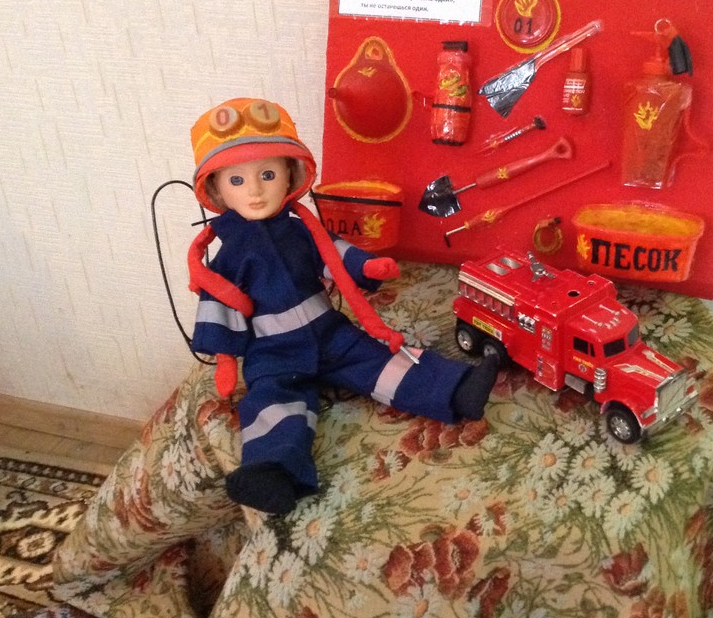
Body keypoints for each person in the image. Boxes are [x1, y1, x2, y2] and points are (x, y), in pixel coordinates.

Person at [186, 98, 498, 515]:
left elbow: (332, 253)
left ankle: (456, 390)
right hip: (272, 350)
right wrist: (226, 359)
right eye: (237, 180)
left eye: (267, 174)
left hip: (329, 330)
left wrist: (366, 265)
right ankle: (272, 471)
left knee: (377, 360)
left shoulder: (301, 230)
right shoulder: (228, 256)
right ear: (216, 190)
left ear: (290, 174)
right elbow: (219, 298)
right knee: (274, 399)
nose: (255, 190)